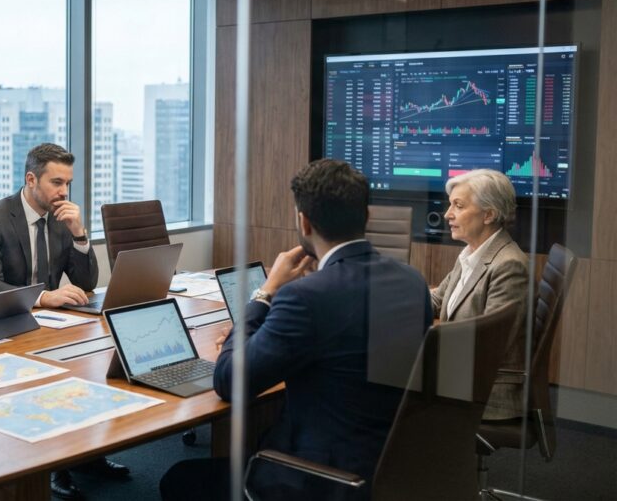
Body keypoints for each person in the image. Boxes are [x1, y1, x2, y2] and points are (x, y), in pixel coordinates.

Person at [160, 159, 432, 501]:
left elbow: (229, 381)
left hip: (322, 477)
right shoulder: (412, 281)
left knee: (179, 479)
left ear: (303, 222)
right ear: (367, 216)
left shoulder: (306, 296)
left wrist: (265, 293)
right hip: (390, 464)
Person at [0, 143, 127, 500]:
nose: (64, 191)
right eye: (56, 182)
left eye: (68, 183)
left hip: (44, 325)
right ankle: (51, 466)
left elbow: (86, 282)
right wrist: (43, 297)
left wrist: (79, 233)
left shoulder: (61, 217)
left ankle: (85, 456)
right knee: (46, 381)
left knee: (88, 366)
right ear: (31, 179)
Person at [431, 168, 528, 420]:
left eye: (458, 206)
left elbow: (490, 344)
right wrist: (391, 301)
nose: (447, 214)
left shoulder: (508, 265)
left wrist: (431, 344)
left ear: (489, 214)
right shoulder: (472, 253)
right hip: (462, 376)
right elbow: (437, 300)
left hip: (486, 392)